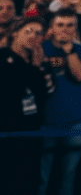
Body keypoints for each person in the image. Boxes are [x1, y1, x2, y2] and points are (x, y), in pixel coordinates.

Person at [39, 8, 81, 195]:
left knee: (68, 178)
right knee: (41, 179)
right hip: (45, 121)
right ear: (52, 27)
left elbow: (80, 76)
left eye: (70, 25)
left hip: (74, 121)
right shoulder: (41, 48)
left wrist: (69, 51)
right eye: (60, 25)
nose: (65, 29)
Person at [1, 16, 52, 195]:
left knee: (29, 182)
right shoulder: (3, 57)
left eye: (38, 33)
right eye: (28, 31)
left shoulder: (39, 61)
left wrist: (40, 67)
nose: (33, 36)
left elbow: (46, 92)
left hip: (32, 131)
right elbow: (12, 88)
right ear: (15, 33)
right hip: (7, 133)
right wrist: (34, 69)